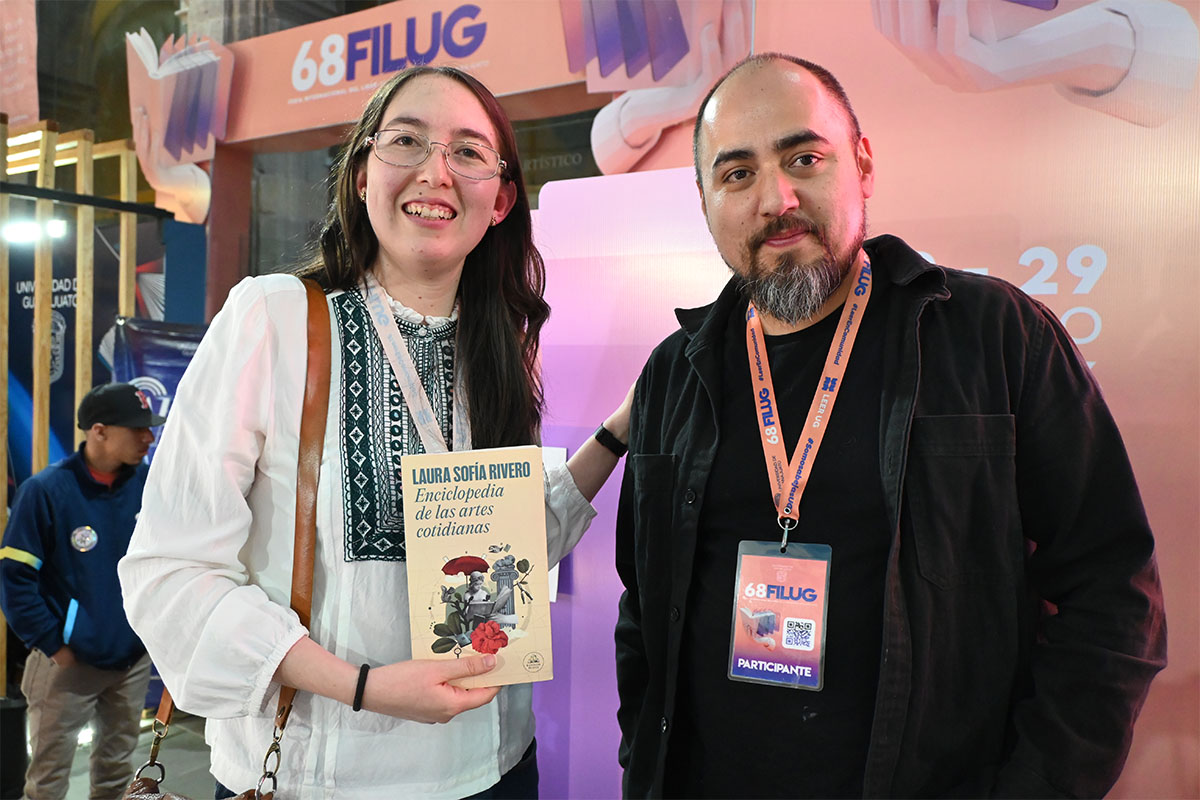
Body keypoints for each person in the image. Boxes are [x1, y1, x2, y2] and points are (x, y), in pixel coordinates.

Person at [614, 52, 1166, 798]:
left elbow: (1113, 591)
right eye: (737, 173)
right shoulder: (673, 374)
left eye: (804, 158)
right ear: (706, 199)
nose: (777, 198)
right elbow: (643, 610)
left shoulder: (992, 336)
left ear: (863, 165)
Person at [118, 65, 631, 799]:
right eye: (407, 141)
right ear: (362, 175)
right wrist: (363, 685)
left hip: (495, 766)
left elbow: (498, 549)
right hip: (319, 778)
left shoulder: (497, 349)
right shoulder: (276, 319)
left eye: (468, 152)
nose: (435, 173)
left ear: (501, 199)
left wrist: (616, 432)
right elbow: (172, 573)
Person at [1, 383, 164, 800]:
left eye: (149, 428)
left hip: (131, 660)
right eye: (137, 429)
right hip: (66, 664)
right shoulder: (45, 491)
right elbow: (15, 578)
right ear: (99, 431)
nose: (148, 437)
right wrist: (53, 644)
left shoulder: (149, 485)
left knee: (116, 775)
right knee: (48, 780)